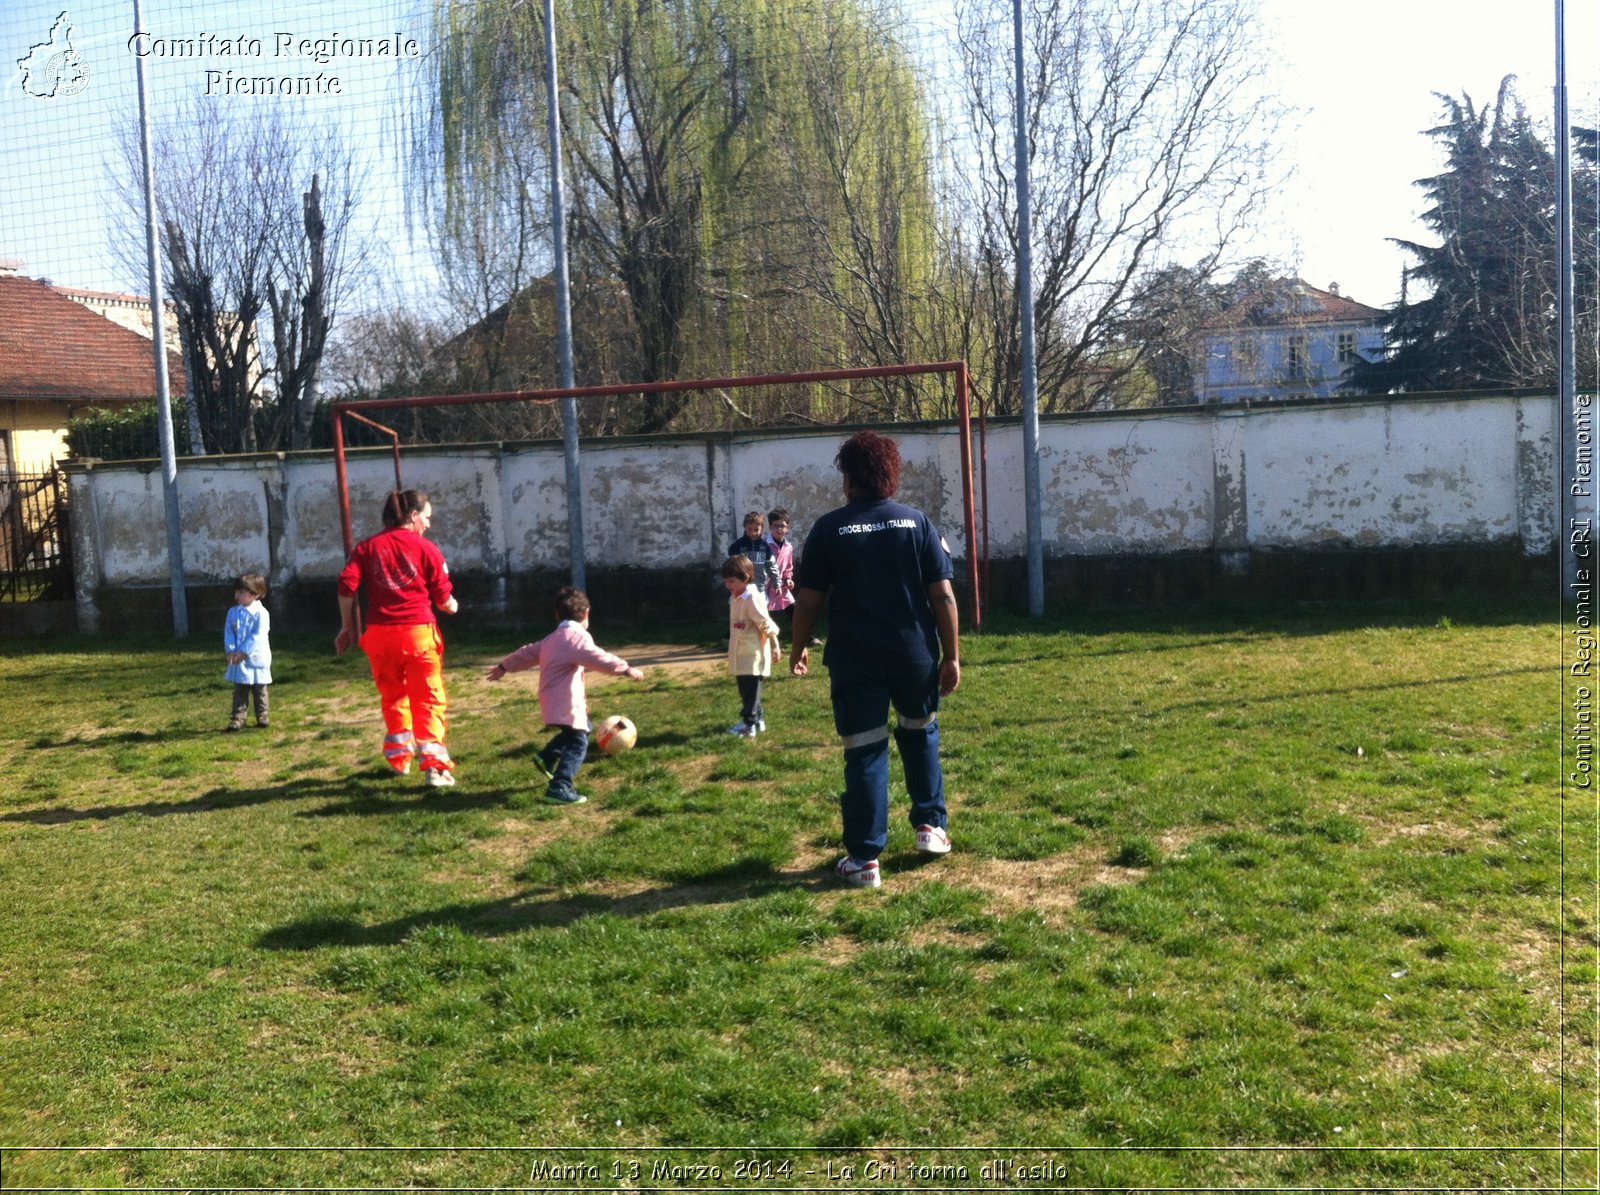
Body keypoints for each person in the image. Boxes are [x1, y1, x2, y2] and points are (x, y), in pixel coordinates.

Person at [789, 430, 961, 889]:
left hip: (855, 658)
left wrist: (799, 645)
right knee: (919, 733)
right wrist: (952, 656)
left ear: (848, 477)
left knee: (865, 750)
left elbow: (807, 602)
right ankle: (931, 828)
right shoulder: (917, 523)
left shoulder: (828, 529)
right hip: (914, 654)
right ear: (890, 474)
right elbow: (943, 595)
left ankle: (864, 858)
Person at [335, 489, 460, 787]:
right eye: (426, 518)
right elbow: (444, 599)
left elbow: (345, 586)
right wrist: (453, 605)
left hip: (379, 635)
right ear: (413, 516)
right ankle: (435, 767)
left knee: (392, 696)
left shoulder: (366, 548)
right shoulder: (427, 548)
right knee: (428, 699)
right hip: (418, 634)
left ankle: (399, 758)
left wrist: (346, 628)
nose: (428, 525)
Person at [485, 586, 644, 805]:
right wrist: (625, 669)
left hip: (550, 698)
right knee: (579, 742)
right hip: (565, 701)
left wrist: (505, 665)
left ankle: (547, 757)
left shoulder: (553, 638)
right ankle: (560, 786)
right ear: (586, 613)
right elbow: (598, 657)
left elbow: (527, 652)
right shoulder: (575, 639)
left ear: (557, 615)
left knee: (579, 729)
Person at [722, 555, 781, 738]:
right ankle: (759, 720)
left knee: (751, 692)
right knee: (746, 691)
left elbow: (765, 623)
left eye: (731, 581)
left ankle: (748, 725)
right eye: (726, 581)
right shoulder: (735, 597)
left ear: (746, 577)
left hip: (753, 655)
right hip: (740, 654)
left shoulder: (752, 598)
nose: (728, 585)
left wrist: (775, 645)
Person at [223, 572, 272, 731]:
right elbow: (229, 632)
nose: (237, 596)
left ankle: (262, 716)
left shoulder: (261, 614)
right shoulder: (233, 612)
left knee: (260, 690)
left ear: (255, 594)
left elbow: (258, 635)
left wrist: (244, 652)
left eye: (241, 593)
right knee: (240, 690)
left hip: (256, 658)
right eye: (236, 591)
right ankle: (238, 718)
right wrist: (231, 651)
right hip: (238, 660)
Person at [728, 510, 779, 600]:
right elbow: (729, 567)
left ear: (762, 529)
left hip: (760, 589)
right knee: (741, 613)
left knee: (760, 613)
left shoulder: (765, 547)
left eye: (756, 530)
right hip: (742, 589)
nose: (752, 533)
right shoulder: (737, 546)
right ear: (745, 527)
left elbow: (771, 566)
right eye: (749, 529)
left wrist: (777, 584)